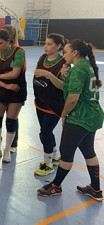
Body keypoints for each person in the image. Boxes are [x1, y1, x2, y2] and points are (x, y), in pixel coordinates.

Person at [37, 39, 103, 201]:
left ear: (75, 53)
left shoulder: (79, 70)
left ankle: (55, 186)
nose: (63, 54)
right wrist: (56, 76)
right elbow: (65, 87)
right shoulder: (84, 66)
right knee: (88, 151)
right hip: (92, 115)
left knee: (66, 153)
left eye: (66, 51)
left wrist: (64, 114)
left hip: (80, 117)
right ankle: (95, 189)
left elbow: (72, 98)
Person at [0, 29, 26, 163]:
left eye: (1, 43)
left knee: (11, 121)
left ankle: (7, 149)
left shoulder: (19, 52)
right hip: (2, 90)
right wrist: (6, 85)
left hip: (16, 91)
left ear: (9, 42)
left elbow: (15, 74)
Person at [33, 33, 67, 176]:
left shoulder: (64, 63)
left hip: (54, 105)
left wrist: (48, 75)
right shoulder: (42, 58)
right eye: (45, 43)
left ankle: (47, 165)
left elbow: (64, 86)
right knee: (46, 131)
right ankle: (55, 156)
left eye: (49, 44)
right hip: (40, 101)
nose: (45, 46)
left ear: (58, 46)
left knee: (45, 133)